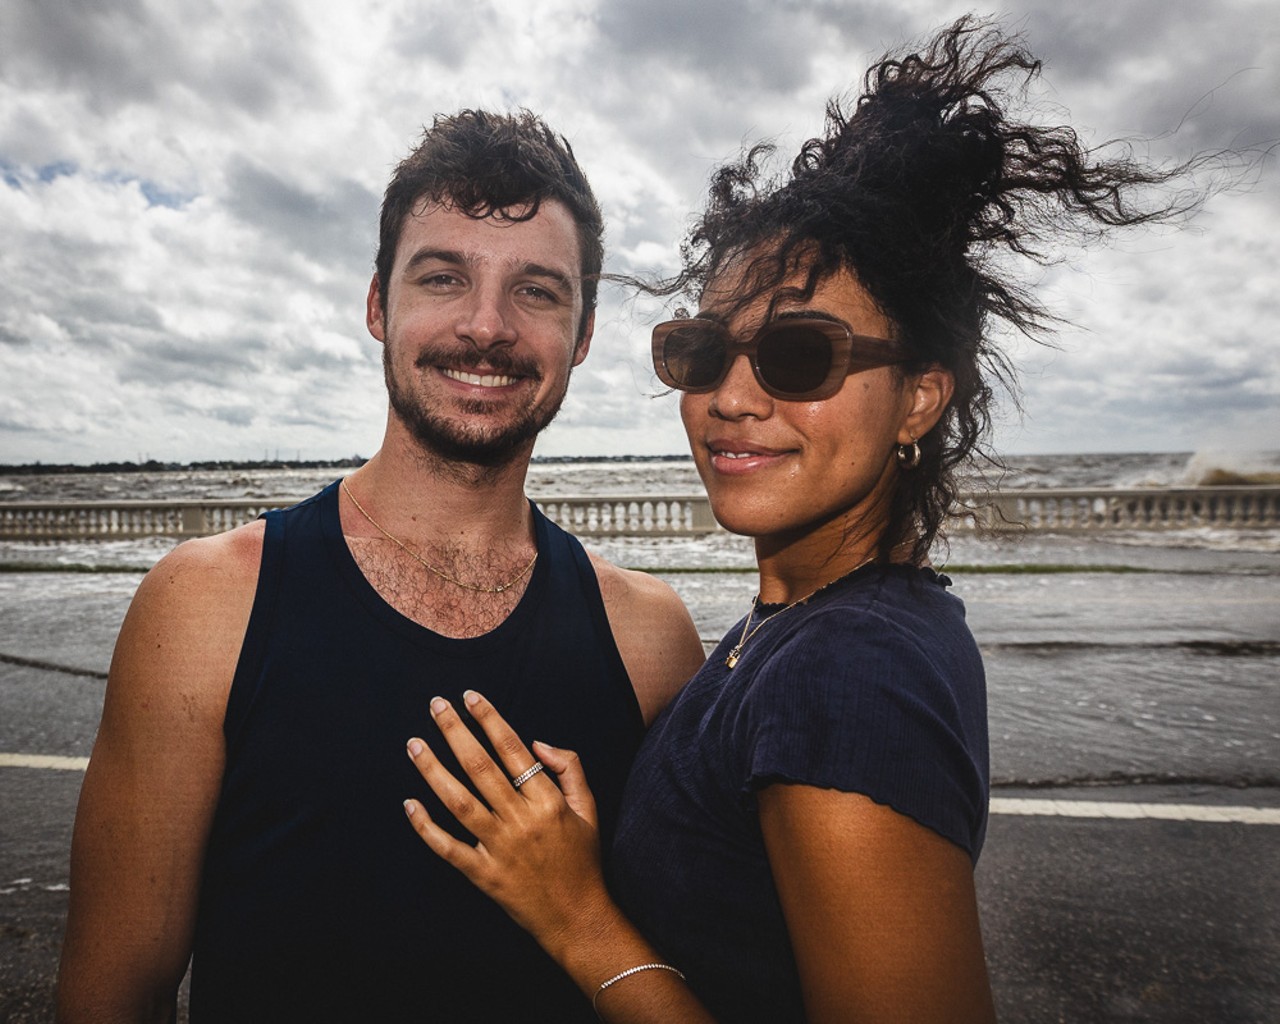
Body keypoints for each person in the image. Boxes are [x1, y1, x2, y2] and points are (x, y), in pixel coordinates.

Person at [402, 18, 1206, 1023]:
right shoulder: (803, 629)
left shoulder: (849, 671)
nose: (731, 397)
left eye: (798, 356)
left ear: (916, 396)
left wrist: (573, 911)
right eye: (700, 352)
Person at [55, 110, 705, 1023]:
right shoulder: (208, 604)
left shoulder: (650, 636)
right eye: (444, 277)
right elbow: (114, 993)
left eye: (538, 292)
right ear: (377, 306)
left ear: (584, 336)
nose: (486, 328)